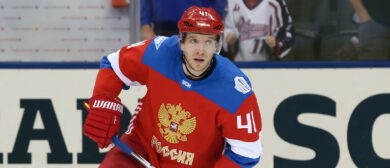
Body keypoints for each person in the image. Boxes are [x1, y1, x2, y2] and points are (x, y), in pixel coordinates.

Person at [83, 6, 263, 167]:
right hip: (138, 151)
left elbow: (247, 153)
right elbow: (114, 66)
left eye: (208, 42)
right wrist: (103, 102)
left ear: (217, 45)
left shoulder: (235, 90)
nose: (200, 50)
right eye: (193, 41)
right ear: (181, 41)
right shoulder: (158, 52)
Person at [223, 0, 294, 61]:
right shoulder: (231, 2)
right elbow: (224, 33)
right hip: (238, 65)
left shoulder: (275, 2)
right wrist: (228, 40)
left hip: (270, 68)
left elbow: (288, 32)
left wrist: (277, 44)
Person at [141, 0, 226, 40]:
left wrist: (211, 22)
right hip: (161, 29)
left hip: (199, 30)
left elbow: (220, 3)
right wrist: (145, 25)